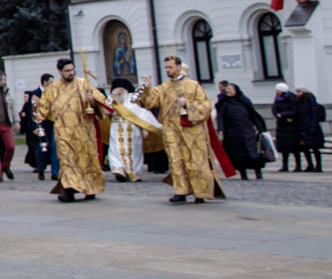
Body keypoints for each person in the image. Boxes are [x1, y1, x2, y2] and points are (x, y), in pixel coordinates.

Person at [137, 57, 224, 203]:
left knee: (195, 160)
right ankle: (180, 190)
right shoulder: (164, 87)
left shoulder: (193, 85)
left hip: (191, 130)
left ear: (178, 67)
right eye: (165, 68)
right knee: (176, 160)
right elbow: (151, 102)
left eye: (170, 67)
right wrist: (148, 88)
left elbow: (206, 106)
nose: (167, 70)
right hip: (171, 129)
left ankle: (200, 192)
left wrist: (188, 104)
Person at [35, 58, 109, 203]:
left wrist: (92, 99)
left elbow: (101, 100)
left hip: (84, 130)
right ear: (59, 72)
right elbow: (43, 111)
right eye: (67, 71)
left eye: (72, 70)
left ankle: (90, 189)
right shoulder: (52, 89)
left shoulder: (83, 83)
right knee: (67, 161)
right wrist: (36, 107)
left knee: (87, 160)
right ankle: (68, 191)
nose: (71, 73)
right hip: (64, 132)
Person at [105, 78, 159, 181]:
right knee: (115, 150)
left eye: (122, 89)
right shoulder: (111, 100)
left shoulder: (133, 101)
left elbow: (142, 115)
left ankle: (134, 172)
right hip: (117, 130)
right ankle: (119, 169)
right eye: (117, 89)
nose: (119, 91)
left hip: (133, 130)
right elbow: (105, 111)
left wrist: (145, 129)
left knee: (135, 152)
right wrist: (111, 98)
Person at [215, 81, 268, 180]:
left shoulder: (244, 101)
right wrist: (220, 128)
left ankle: (258, 173)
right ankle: (243, 174)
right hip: (233, 133)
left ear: (236, 90)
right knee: (238, 155)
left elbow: (253, 114)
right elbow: (220, 117)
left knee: (253, 153)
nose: (228, 92)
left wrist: (260, 128)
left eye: (230, 90)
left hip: (247, 131)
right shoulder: (224, 103)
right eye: (227, 90)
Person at [293, 87, 327, 172]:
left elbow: (314, 114)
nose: (297, 93)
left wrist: (312, 126)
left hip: (311, 127)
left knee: (315, 148)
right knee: (305, 147)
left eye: (299, 91)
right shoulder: (298, 101)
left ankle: (318, 166)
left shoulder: (310, 100)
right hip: (302, 127)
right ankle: (310, 165)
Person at [20, 87, 48, 180]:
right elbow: (29, 116)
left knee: (41, 148)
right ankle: (39, 167)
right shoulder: (29, 105)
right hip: (33, 129)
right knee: (36, 148)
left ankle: (40, 167)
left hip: (40, 128)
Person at [272, 83, 301, 173]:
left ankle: (298, 166)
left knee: (294, 147)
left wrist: (284, 115)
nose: (277, 92)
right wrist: (278, 115)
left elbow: (295, 111)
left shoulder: (292, 98)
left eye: (278, 90)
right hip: (282, 125)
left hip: (291, 126)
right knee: (284, 148)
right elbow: (274, 109)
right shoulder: (277, 98)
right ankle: (284, 165)